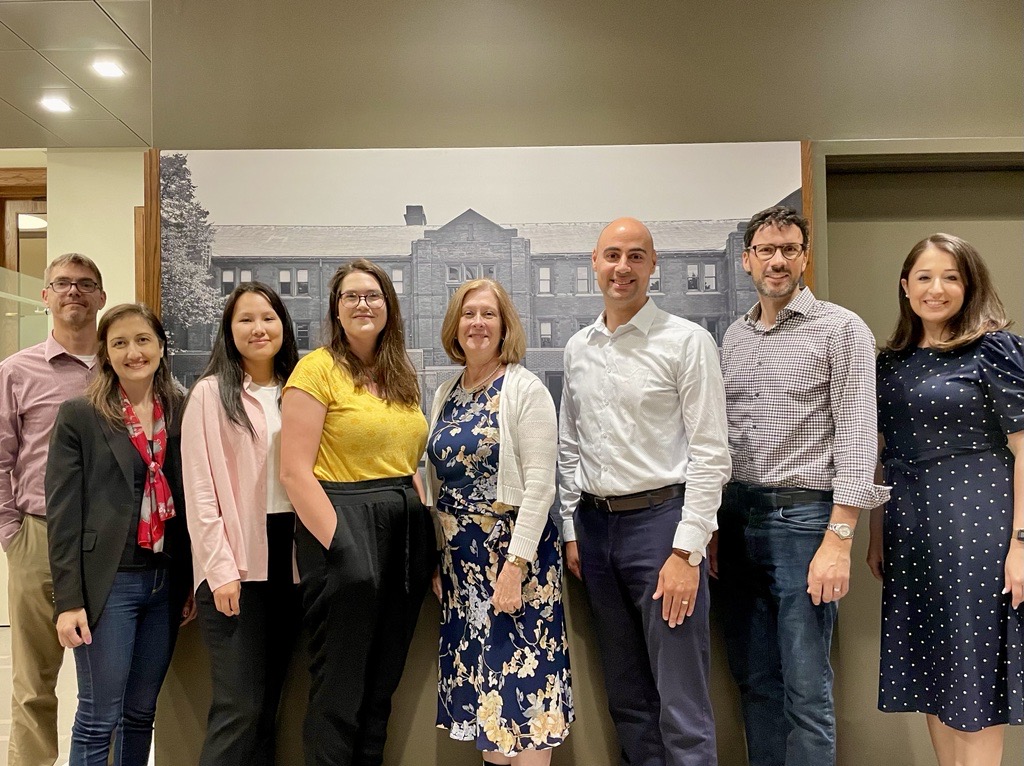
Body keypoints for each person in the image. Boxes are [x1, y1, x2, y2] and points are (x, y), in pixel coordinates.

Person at [715, 206, 888, 766]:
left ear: (805, 256)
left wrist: (840, 540)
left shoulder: (841, 329)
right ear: (747, 260)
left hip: (806, 523)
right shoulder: (733, 337)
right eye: (766, 250)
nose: (778, 260)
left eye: (789, 249)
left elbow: (860, 437)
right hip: (737, 521)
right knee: (755, 683)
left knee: (806, 691)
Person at [557, 217, 731, 766]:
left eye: (636, 256)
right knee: (628, 699)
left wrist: (687, 550)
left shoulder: (686, 341)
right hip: (595, 530)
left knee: (681, 703)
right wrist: (569, 532)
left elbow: (710, 452)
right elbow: (570, 446)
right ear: (594, 263)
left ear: (653, 265)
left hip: (664, 527)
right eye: (612, 255)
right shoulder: (577, 348)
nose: (622, 267)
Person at [867, 234, 1023, 765]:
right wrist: (875, 533)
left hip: (977, 522)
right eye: (925, 277)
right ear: (905, 287)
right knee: (933, 671)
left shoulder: (995, 349)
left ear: (969, 285)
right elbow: (882, 454)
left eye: (951, 277)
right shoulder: (889, 363)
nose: (937, 289)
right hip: (909, 527)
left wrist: (1022, 543)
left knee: (973, 677)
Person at [280, 258, 435, 766]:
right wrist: (342, 547)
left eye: (373, 295)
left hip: (403, 525)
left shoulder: (400, 373)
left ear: (389, 307)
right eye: (352, 296)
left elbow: (408, 459)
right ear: (336, 310)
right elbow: (294, 472)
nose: (363, 304)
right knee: (338, 688)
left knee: (381, 685)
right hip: (341, 519)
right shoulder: (316, 369)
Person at [425, 278, 573, 764]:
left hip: (515, 563)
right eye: (469, 314)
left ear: (504, 325)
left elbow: (539, 487)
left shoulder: (524, 389)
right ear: (455, 325)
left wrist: (513, 567)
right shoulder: (445, 392)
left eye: (489, 314)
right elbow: (436, 485)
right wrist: (439, 560)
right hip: (462, 569)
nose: (478, 323)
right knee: (488, 707)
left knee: (524, 707)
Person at [44, 303, 194, 766]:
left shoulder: (181, 408)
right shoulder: (79, 416)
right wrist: (69, 601)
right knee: (97, 716)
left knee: (140, 712)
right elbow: (63, 514)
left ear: (161, 346)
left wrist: (189, 580)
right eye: (120, 343)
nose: (134, 352)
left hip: (164, 584)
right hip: (108, 586)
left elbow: (190, 500)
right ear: (105, 355)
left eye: (143, 340)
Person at [182, 282, 301, 766]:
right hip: (235, 562)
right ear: (229, 331)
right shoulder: (211, 394)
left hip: (292, 559)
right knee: (240, 707)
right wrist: (220, 567)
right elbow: (200, 490)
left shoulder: (302, 388)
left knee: (269, 704)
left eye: (268, 318)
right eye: (246, 319)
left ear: (283, 326)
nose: (259, 328)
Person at [0, 253, 106, 766]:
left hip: (110, 544)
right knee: (33, 684)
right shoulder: (16, 372)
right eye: (62, 284)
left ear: (101, 299)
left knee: (107, 687)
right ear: (45, 297)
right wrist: (12, 533)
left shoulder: (122, 369)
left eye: (86, 284)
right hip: (38, 538)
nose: (74, 293)